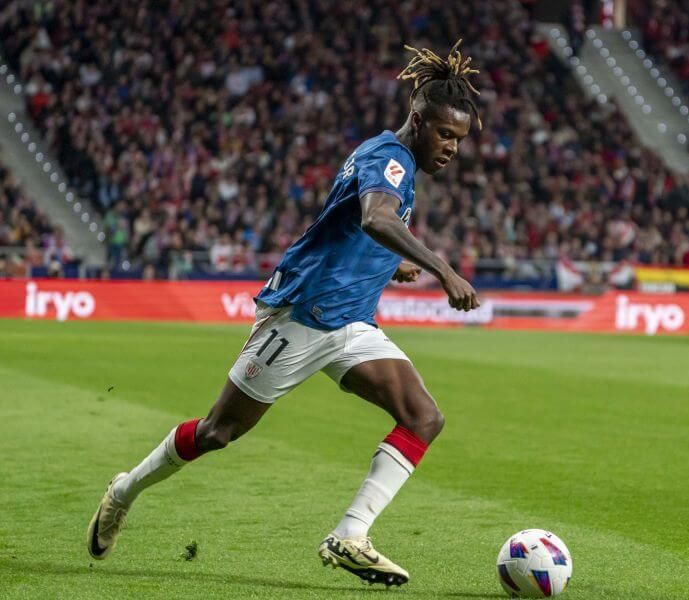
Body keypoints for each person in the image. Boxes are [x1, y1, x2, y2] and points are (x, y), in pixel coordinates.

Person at [86, 41, 483, 589]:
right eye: (445, 133)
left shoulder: (394, 162)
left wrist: (386, 268)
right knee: (219, 432)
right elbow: (373, 217)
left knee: (424, 417)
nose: (452, 148)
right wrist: (442, 269)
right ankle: (124, 491)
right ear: (417, 118)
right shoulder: (389, 160)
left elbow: (341, 224)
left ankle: (351, 533)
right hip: (299, 316)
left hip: (349, 323)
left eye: (459, 139)